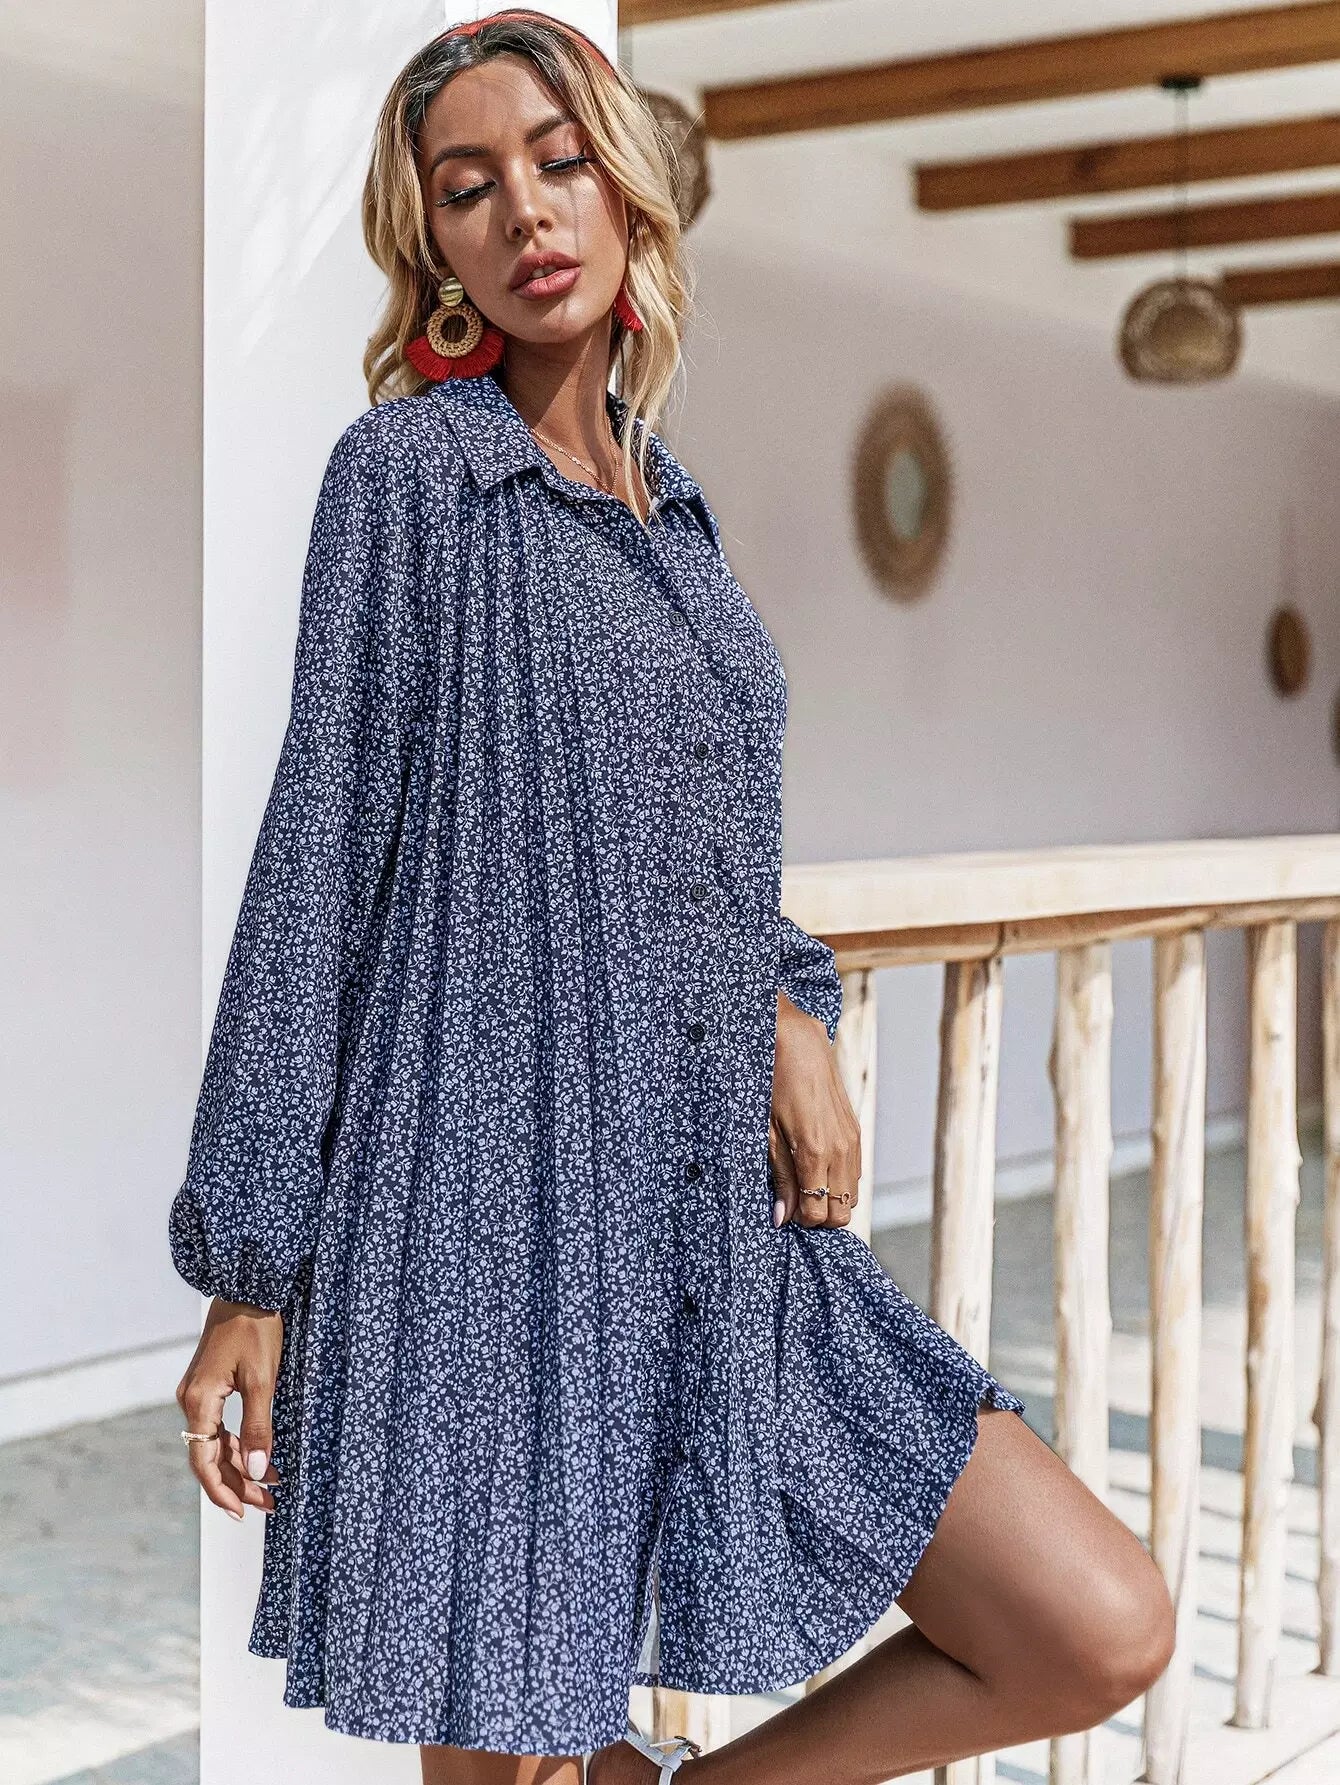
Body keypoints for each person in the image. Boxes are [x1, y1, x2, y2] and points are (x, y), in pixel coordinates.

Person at [169, 12, 1175, 1785]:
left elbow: (697, 852)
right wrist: (250, 1268)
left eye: (560, 162)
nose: (524, 212)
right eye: (468, 188)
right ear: (437, 247)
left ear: (627, 191)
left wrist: (793, 1005)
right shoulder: (409, 482)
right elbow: (315, 858)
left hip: (712, 1227)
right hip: (477, 1243)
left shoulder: (680, 522)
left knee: (1096, 1618)